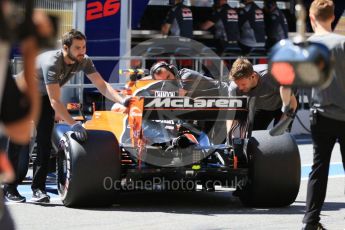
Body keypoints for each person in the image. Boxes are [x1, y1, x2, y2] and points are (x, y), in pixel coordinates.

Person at [4, 29, 128, 204]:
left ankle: (38, 189)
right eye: (77, 47)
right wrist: (74, 124)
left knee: (45, 143)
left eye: (84, 46)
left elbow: (101, 85)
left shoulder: (83, 61)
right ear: (65, 47)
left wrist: (122, 100)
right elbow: (55, 100)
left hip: (42, 97)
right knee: (17, 142)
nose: (82, 51)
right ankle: (9, 188)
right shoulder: (52, 62)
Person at [302, 1, 345, 229]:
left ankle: (310, 222)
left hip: (320, 115)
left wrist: (288, 110)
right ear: (332, 16)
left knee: (318, 169)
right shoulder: (343, 43)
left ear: (311, 18)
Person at [228, 57, 297, 131]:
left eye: (243, 84)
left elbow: (292, 104)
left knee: (281, 135)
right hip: (262, 107)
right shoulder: (234, 87)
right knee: (253, 135)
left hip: (284, 104)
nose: (240, 88)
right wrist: (230, 133)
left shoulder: (273, 77)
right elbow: (232, 113)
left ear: (253, 76)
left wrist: (281, 127)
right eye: (237, 84)